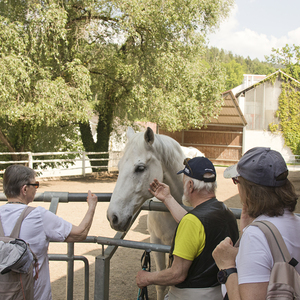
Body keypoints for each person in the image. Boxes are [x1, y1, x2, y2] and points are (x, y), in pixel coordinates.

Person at [136, 157, 239, 300]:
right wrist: (167, 198)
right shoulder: (226, 212)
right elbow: (198, 227)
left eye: (184, 181)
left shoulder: (193, 222)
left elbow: (177, 274)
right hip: (219, 293)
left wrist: (147, 278)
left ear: (190, 185)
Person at [212, 147, 300, 300]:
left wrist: (227, 266)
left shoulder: (256, 237)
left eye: (236, 181)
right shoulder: (296, 222)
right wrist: (246, 232)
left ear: (248, 189)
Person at [0, 164, 98, 300]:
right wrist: (92, 206)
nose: (36, 188)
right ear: (24, 189)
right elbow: (80, 233)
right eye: (35, 185)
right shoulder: (38, 216)